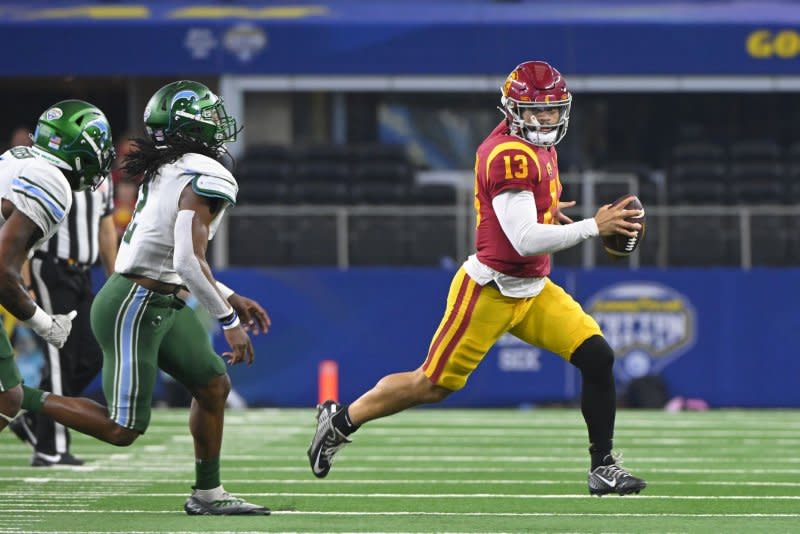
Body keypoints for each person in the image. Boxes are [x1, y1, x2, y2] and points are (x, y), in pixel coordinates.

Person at [308, 60, 648, 497]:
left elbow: (527, 217)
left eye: (552, 110)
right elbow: (524, 239)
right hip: (490, 289)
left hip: (533, 289)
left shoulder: (540, 148)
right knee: (429, 385)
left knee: (597, 357)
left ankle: (603, 466)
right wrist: (590, 227)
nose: (546, 119)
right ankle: (338, 422)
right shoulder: (508, 154)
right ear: (512, 109)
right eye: (535, 110)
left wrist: (550, 212)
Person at [12, 81, 271, 516]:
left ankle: (207, 495)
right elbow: (187, 260)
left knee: (212, 384)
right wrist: (228, 321)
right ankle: (17, 397)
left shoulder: (169, 167)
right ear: (190, 125)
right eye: (209, 116)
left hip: (155, 298)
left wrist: (228, 293)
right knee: (122, 429)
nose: (218, 125)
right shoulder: (203, 174)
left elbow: (165, 253)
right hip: (136, 303)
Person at [0, 100, 114, 434]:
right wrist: (44, 323)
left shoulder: (18, 157)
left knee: (9, 396)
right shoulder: (52, 183)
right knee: (8, 399)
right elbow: (2, 273)